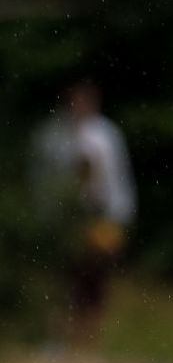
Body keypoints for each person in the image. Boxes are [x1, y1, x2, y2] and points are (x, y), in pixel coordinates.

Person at [30, 80, 136, 346]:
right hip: (64, 219)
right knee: (61, 281)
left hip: (98, 216)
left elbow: (116, 180)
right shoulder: (54, 136)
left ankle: (88, 342)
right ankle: (57, 338)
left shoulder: (107, 135)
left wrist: (118, 218)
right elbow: (43, 181)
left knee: (94, 282)